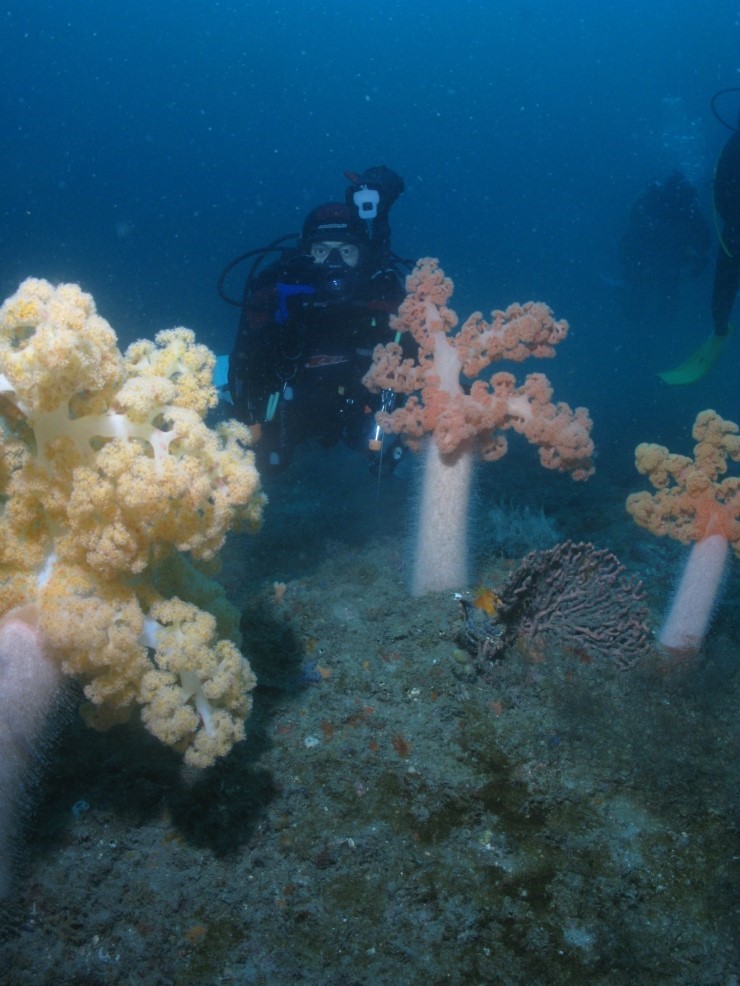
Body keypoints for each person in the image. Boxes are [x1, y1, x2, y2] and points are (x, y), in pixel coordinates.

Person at [226, 166, 410, 474]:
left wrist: (382, 207)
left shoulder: (379, 289)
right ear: (305, 252)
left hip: (358, 411)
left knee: (364, 443)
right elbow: (243, 363)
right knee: (271, 463)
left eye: (346, 251)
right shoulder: (280, 291)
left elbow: (419, 357)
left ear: (362, 254)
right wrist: (250, 421)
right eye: (321, 251)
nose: (334, 263)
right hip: (289, 413)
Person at [620, 170, 710, 319]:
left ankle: (641, 317)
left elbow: (703, 235)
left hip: (659, 253)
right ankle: (652, 317)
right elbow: (704, 235)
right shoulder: (680, 204)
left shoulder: (672, 203)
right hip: (659, 253)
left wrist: (700, 255)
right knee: (660, 287)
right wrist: (699, 255)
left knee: (651, 287)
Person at [710, 117, 740, 337]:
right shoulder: (733, 146)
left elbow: (720, 197)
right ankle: (720, 327)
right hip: (736, 228)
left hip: (735, 230)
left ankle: (720, 327)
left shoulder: (732, 145)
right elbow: (721, 196)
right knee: (725, 285)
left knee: (725, 284)